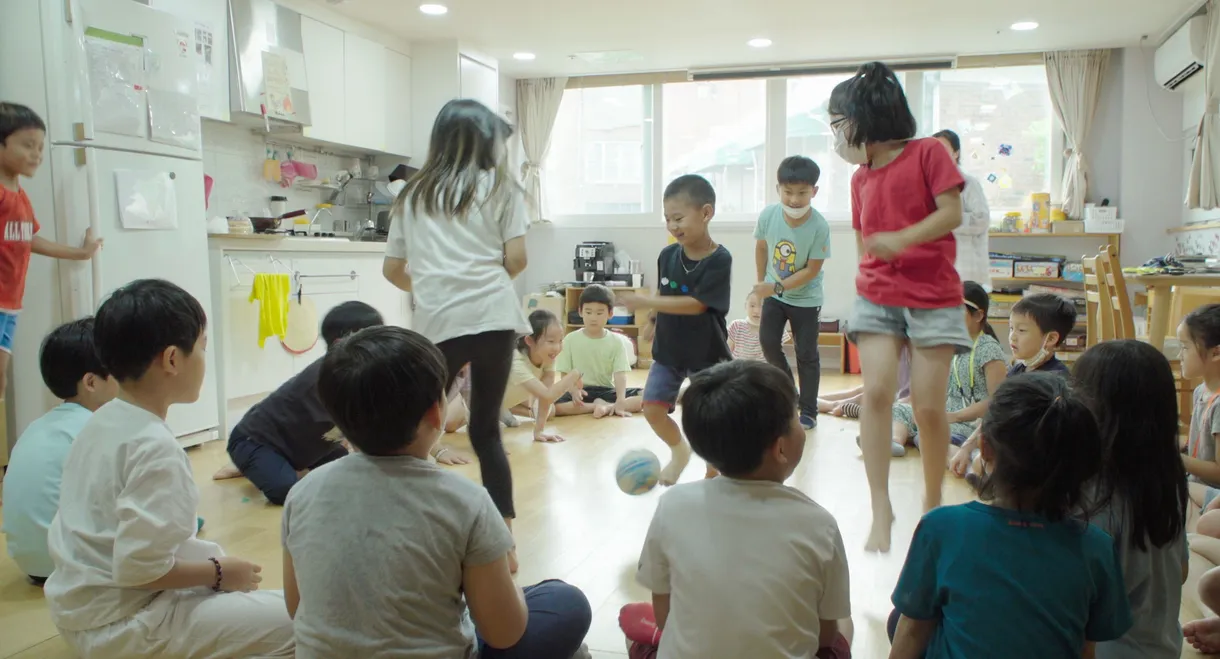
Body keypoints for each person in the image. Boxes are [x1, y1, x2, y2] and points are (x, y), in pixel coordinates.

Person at [284, 325, 592, 659]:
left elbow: (296, 607)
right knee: (565, 602)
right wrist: (502, 586)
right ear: (436, 411)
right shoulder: (466, 500)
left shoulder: (303, 493)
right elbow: (505, 634)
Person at [44, 279, 294, 659]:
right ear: (173, 359)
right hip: (128, 624)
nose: (205, 358)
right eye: (203, 346)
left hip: (79, 613)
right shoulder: (154, 448)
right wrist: (220, 572)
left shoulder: (101, 420)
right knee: (306, 621)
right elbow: (138, 570)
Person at [381, 99, 530, 571]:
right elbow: (517, 259)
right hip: (493, 316)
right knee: (485, 430)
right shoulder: (502, 188)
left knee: (418, 428)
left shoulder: (412, 193)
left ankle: (408, 533)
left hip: (438, 322)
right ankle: (505, 545)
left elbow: (392, 269)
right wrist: (483, 283)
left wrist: (432, 287)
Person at [887, 373, 1132, 658]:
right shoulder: (1096, 548)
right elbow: (1085, 650)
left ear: (985, 448)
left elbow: (912, 632)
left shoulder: (942, 528)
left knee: (902, 619)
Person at [828, 62, 970, 552]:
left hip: (934, 295)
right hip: (877, 294)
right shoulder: (860, 178)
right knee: (877, 393)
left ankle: (931, 504)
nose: (837, 136)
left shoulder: (928, 152)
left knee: (928, 407)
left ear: (864, 118)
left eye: (838, 123)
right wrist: (867, 271)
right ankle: (880, 507)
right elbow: (862, 238)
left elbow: (951, 212)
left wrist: (902, 240)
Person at [621, 360, 852, 659]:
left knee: (633, 629)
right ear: (781, 448)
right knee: (844, 624)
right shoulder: (819, 525)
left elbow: (665, 618)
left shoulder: (672, 505)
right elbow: (825, 636)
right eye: (796, 417)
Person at [1073, 341, 1188, 659]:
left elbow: (1073, 600)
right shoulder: (1168, 477)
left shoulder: (1089, 491)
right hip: (1162, 647)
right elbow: (1180, 571)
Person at [210, 302, 383, 504]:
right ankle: (253, 463)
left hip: (309, 446)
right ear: (341, 344)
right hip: (256, 441)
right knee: (285, 490)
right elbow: (359, 428)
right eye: (375, 340)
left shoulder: (357, 373)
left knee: (347, 473)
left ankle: (267, 467)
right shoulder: (327, 378)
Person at [620, 175, 732, 485]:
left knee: (709, 416)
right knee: (652, 408)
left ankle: (714, 468)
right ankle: (680, 452)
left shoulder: (719, 259)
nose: (672, 225)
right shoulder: (668, 255)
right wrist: (652, 319)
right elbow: (665, 290)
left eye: (679, 218)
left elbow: (697, 305)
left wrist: (647, 301)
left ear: (706, 213)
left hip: (706, 353)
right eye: (667, 218)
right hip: (668, 351)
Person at [1, 318, 118, 585]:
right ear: (91, 382)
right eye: (119, 371)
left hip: (30, 562)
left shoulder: (37, 427)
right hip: (75, 564)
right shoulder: (97, 428)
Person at [0, 102, 103, 398]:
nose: (37, 154)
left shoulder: (19, 196)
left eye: (40, 148)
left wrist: (80, 253)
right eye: (27, 145)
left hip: (10, 304)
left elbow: (28, 239)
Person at [950, 292, 1076, 479]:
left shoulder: (1053, 380)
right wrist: (967, 448)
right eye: (1011, 328)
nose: (1012, 337)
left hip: (1035, 460)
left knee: (980, 463)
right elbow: (994, 412)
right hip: (1010, 449)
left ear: (1050, 339)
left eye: (1021, 330)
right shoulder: (1019, 369)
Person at [751, 155, 831, 429]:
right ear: (778, 189)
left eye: (802, 193)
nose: (794, 200)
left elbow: (812, 269)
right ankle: (791, 396)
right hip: (774, 295)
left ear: (814, 191)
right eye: (788, 192)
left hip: (806, 300)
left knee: (806, 354)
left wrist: (775, 286)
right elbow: (761, 248)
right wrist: (761, 285)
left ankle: (808, 411)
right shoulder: (768, 215)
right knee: (768, 344)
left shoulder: (819, 226)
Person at [888, 282, 1005, 457]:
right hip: (946, 414)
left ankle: (961, 456)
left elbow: (996, 401)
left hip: (971, 423)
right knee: (899, 409)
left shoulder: (989, 349)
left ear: (978, 315)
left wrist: (954, 416)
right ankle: (895, 441)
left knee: (928, 435)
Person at [554, 284, 643, 418]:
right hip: (580, 392)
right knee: (554, 406)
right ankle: (597, 406)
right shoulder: (570, 339)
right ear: (580, 312)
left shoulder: (616, 341)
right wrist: (573, 391)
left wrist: (620, 400)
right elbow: (565, 375)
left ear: (610, 313)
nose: (593, 318)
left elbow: (620, 374)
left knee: (647, 396)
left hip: (606, 391)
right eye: (588, 312)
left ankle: (607, 406)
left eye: (599, 313)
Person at [501, 309, 584, 442]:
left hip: (504, 401)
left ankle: (503, 412)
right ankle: (500, 413)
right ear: (529, 340)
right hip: (477, 406)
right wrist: (575, 374)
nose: (557, 348)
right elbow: (548, 395)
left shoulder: (547, 357)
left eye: (560, 341)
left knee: (550, 410)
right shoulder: (516, 361)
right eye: (551, 341)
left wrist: (539, 431)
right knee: (459, 426)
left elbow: (545, 399)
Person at [932, 129, 991, 291]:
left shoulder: (969, 183)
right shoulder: (927, 183)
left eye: (943, 149)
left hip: (965, 264)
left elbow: (981, 220)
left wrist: (946, 219)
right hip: (937, 264)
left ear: (956, 153)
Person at [1179, 304, 1220, 513]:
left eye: (1185, 347)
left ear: (1216, 353)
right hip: (1198, 485)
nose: (1180, 355)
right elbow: (1195, 447)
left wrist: (1174, 459)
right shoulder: (1201, 391)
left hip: (1213, 492)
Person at [727, 292, 790, 362]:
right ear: (745, 306)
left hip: (764, 368)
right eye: (752, 306)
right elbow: (727, 352)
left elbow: (779, 357)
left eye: (762, 306)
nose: (756, 311)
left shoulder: (775, 328)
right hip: (739, 367)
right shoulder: (736, 325)